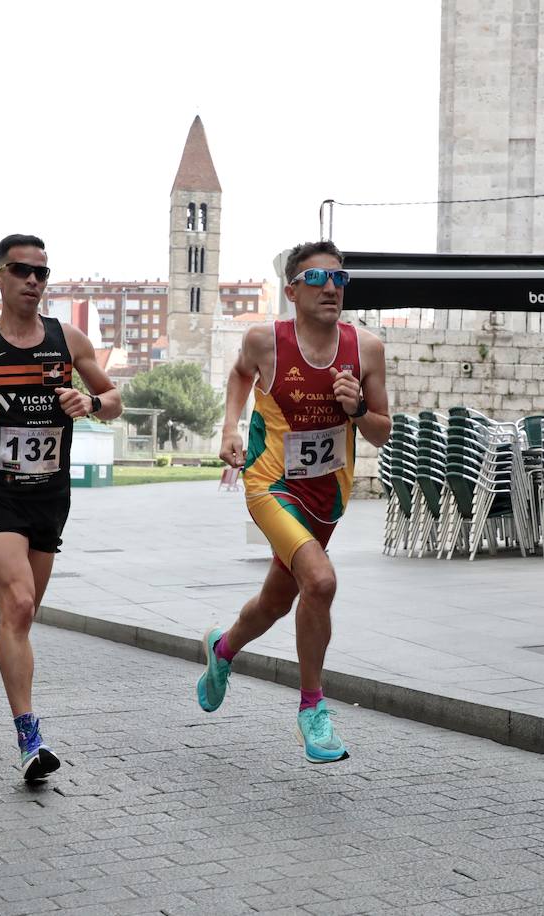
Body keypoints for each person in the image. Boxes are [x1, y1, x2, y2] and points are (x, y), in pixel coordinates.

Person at [0, 233, 122, 781]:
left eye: (41, 272)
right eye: (21, 270)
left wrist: (91, 401)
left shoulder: (68, 340)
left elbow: (114, 402)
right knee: (23, 604)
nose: (33, 280)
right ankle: (29, 737)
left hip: (49, 494)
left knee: (22, 611)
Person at [196, 240, 390, 763]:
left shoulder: (366, 348)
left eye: (340, 280)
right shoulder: (267, 341)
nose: (332, 288)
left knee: (276, 603)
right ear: (292, 290)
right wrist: (231, 426)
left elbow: (382, 432)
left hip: (328, 495)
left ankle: (222, 649)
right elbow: (240, 373)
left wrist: (357, 410)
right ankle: (312, 709)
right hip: (269, 483)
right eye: (318, 280)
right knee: (321, 581)